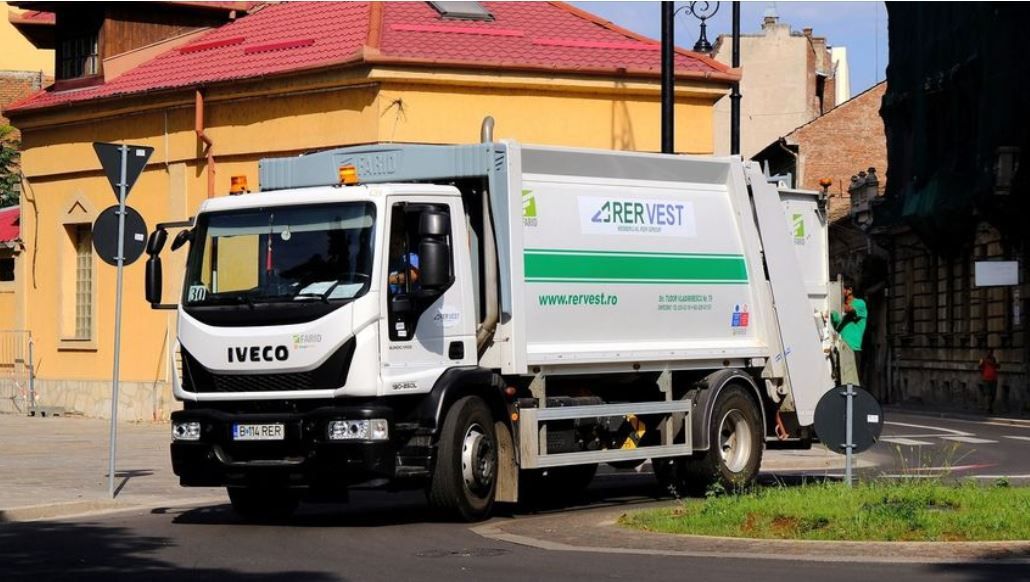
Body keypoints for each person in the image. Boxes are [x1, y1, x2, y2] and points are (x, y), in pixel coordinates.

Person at [830, 279, 867, 387]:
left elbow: (851, 310)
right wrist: (832, 314)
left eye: (842, 289)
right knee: (843, 384)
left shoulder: (859, 303)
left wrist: (835, 305)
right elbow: (837, 326)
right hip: (841, 349)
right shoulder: (841, 309)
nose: (840, 292)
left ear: (850, 290)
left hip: (853, 349)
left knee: (853, 384)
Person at [978, 348, 1000, 414]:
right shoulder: (983, 359)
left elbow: (998, 366)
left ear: (992, 353)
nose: (989, 353)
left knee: (993, 394)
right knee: (988, 394)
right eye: (988, 352)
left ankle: (990, 406)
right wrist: (982, 373)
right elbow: (979, 367)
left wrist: (995, 363)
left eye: (990, 352)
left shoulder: (995, 359)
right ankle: (988, 408)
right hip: (986, 379)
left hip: (994, 379)